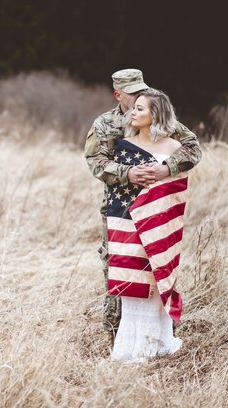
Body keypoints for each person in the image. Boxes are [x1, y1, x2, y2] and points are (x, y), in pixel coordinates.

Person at [84, 69, 201, 337]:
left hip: (156, 208)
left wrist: (168, 168)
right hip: (120, 209)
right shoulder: (104, 124)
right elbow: (95, 163)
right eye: (133, 93)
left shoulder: (155, 113)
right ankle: (117, 333)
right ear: (118, 95)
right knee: (118, 264)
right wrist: (127, 174)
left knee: (156, 262)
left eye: (141, 90)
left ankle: (160, 332)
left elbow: (192, 148)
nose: (139, 96)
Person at [106, 88, 189, 361]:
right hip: (127, 222)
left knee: (154, 280)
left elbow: (177, 190)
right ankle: (129, 349)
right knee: (134, 280)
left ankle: (152, 346)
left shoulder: (175, 150)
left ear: (156, 114)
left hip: (159, 226)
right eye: (134, 107)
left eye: (140, 109)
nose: (133, 112)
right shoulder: (124, 148)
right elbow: (113, 183)